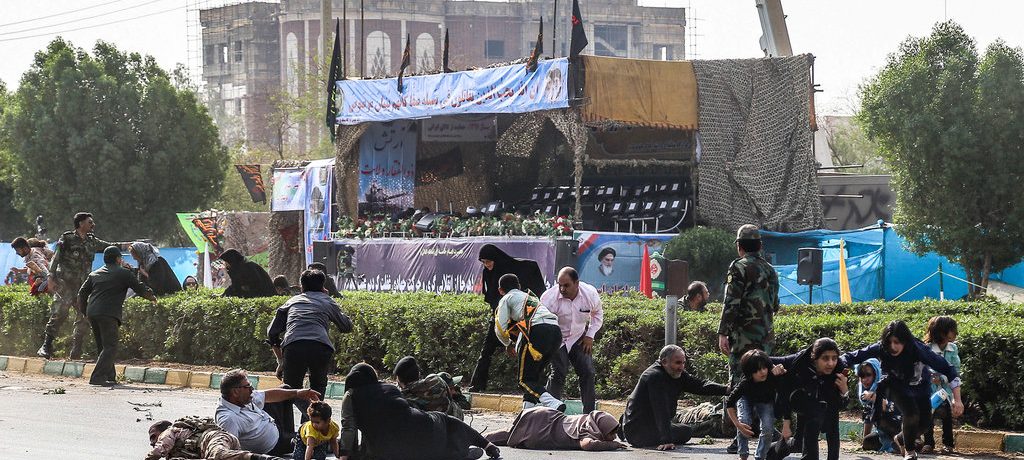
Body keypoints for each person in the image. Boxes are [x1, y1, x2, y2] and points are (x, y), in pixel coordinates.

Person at [842, 321, 959, 460]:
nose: (893, 347)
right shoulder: (881, 347)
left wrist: (957, 399)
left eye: (897, 342)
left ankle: (901, 438)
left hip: (920, 387)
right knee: (911, 413)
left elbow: (948, 369)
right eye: (889, 342)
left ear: (905, 341)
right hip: (894, 385)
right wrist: (840, 364)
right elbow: (853, 356)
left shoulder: (918, 349)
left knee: (924, 423)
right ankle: (910, 452)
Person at [340, 363, 500, 460]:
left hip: (389, 451)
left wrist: (344, 456)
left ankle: (458, 454)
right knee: (446, 421)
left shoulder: (351, 395)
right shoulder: (389, 389)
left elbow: (349, 428)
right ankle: (486, 445)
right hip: (425, 430)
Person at [718, 224, 779, 453]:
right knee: (764, 382)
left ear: (739, 246)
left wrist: (723, 332)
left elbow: (731, 303)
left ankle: (740, 437)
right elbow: (775, 304)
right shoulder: (770, 270)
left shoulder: (738, 267)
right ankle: (768, 433)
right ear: (760, 246)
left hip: (742, 339)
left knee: (739, 384)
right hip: (765, 338)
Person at [266, 269, 353, 421]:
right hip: (320, 347)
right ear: (323, 286)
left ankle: (288, 429)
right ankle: (313, 424)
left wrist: (280, 360)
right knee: (317, 390)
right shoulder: (327, 301)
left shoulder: (292, 302)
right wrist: (331, 303)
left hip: (293, 346)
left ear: (301, 286)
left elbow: (272, 332)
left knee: (289, 390)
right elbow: (346, 326)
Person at [38, 212, 120, 359]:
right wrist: (50, 277)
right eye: (90, 222)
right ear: (81, 223)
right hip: (65, 284)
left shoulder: (91, 241)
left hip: (83, 286)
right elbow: (56, 258)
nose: (93, 225)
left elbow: (110, 246)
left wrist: (128, 245)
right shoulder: (67, 238)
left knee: (84, 316)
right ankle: (46, 346)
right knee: (59, 313)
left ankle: (76, 349)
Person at [620, 345, 729, 450]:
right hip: (639, 432)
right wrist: (666, 440)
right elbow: (660, 409)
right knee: (686, 431)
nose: (681, 367)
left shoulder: (676, 373)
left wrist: (727, 390)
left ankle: (623, 427)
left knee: (683, 428)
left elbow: (700, 385)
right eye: (677, 363)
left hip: (649, 425)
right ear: (664, 362)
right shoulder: (654, 376)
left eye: (683, 363)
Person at [469, 243, 546, 392]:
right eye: (483, 262)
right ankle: (477, 385)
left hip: (520, 319)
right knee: (486, 351)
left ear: (496, 259)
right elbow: (491, 297)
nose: (486, 265)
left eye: (488, 261)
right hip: (500, 316)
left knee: (528, 352)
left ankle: (534, 386)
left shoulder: (516, 269)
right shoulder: (488, 273)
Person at [77, 246, 157, 386]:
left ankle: (110, 376)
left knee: (103, 347)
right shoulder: (124, 273)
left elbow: (81, 293)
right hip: (108, 313)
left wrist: (85, 311)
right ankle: (97, 377)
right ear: (118, 259)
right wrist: (152, 297)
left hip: (92, 312)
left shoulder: (94, 274)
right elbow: (139, 287)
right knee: (110, 346)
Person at [494, 273, 565, 411]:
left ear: (500, 290)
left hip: (537, 331)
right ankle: (527, 413)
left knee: (524, 380)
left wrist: (507, 344)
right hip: (556, 332)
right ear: (519, 286)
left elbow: (500, 328)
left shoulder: (506, 298)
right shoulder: (531, 297)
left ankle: (553, 403)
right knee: (533, 378)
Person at [771, 337, 847, 460]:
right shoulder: (799, 361)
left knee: (799, 443)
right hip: (799, 400)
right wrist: (773, 368)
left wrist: (845, 391)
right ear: (814, 357)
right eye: (825, 358)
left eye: (834, 358)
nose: (831, 363)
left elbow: (840, 406)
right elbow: (764, 360)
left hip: (822, 404)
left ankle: (772, 452)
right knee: (813, 420)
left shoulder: (839, 368)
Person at [215, 369, 322, 456]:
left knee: (286, 389)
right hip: (275, 444)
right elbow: (229, 453)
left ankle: (318, 422)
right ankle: (316, 433)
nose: (252, 389)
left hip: (272, 422)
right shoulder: (228, 419)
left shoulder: (241, 398)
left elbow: (267, 395)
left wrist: (298, 393)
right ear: (235, 392)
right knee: (314, 442)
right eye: (247, 386)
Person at [541, 266, 603, 413]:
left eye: (566, 285)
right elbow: (541, 322)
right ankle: (550, 413)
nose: (562, 289)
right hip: (555, 337)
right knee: (559, 372)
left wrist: (590, 335)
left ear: (577, 283)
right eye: (560, 285)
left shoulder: (590, 294)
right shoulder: (548, 298)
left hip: (578, 336)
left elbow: (597, 314)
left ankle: (589, 414)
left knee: (588, 371)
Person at [483, 406, 626, 451]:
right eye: (611, 433)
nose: (613, 437)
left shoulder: (588, 420)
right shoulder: (588, 430)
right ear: (602, 427)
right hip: (546, 426)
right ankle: (479, 439)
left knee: (511, 433)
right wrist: (612, 445)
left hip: (546, 417)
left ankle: (479, 439)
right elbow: (587, 444)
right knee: (512, 434)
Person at [726, 350, 781, 460]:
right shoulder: (745, 384)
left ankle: (760, 457)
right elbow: (729, 403)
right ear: (750, 372)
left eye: (764, 368)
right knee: (744, 421)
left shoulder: (772, 376)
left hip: (765, 400)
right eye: (758, 370)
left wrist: (781, 370)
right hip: (745, 398)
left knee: (768, 428)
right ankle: (743, 455)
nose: (763, 372)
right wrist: (738, 425)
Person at [146, 416, 286, 460]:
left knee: (218, 454)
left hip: (214, 439)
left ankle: (267, 459)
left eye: (153, 437)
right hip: (213, 451)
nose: (152, 442)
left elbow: (159, 450)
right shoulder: (175, 454)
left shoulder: (169, 432)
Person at [922, 315, 963, 454]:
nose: (955, 333)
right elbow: (923, 368)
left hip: (946, 391)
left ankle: (948, 444)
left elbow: (955, 370)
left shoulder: (953, 348)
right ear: (941, 331)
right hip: (929, 390)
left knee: (947, 416)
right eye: (952, 330)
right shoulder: (927, 348)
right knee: (928, 414)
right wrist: (930, 376)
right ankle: (928, 443)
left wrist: (943, 379)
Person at [394, 355, 471, 420]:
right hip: (450, 430)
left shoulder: (401, 400)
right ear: (418, 374)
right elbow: (459, 415)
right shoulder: (437, 383)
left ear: (398, 379)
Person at [857, 359, 900, 453]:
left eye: (868, 375)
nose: (865, 379)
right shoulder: (867, 392)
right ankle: (893, 445)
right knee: (867, 442)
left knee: (880, 418)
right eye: (862, 376)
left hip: (900, 425)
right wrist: (864, 442)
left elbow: (888, 408)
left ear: (876, 374)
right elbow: (868, 417)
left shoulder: (886, 385)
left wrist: (875, 398)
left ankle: (902, 443)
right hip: (883, 432)